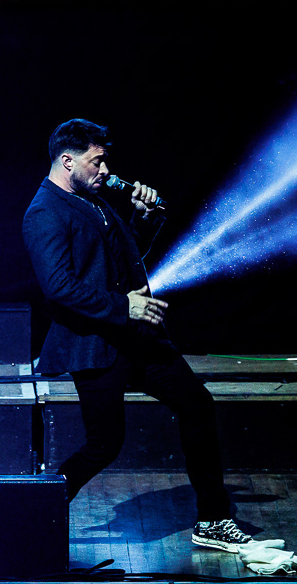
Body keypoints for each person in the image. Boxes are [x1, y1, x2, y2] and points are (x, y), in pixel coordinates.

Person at [22, 118, 254, 552]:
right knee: (104, 444)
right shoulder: (44, 212)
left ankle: (213, 519)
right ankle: (33, 509)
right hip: (95, 344)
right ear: (67, 161)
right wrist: (122, 306)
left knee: (197, 404)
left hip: (136, 339)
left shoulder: (93, 200)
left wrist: (144, 220)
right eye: (97, 161)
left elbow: (118, 259)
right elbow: (58, 288)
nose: (106, 169)